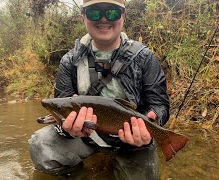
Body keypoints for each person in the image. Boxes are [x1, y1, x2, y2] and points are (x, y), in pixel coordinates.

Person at [28, 0, 170, 179]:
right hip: (85, 138)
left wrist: (154, 121)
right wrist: (68, 129)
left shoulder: (144, 58)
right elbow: (62, 107)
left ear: (123, 16)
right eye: (95, 12)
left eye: (112, 13)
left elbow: (159, 105)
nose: (103, 19)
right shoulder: (69, 61)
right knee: (40, 144)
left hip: (133, 142)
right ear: (83, 17)